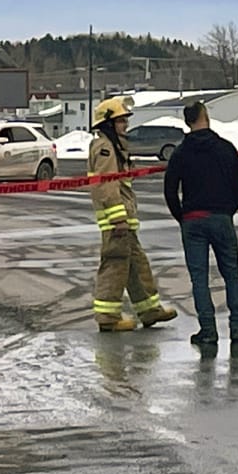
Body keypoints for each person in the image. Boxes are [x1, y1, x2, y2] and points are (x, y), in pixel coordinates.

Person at [163, 100, 238, 346]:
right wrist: (228, 210)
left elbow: (170, 189)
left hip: (193, 220)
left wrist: (181, 216)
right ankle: (237, 327)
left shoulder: (181, 152)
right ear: (206, 117)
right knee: (231, 274)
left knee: (199, 278)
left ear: (187, 121)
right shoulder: (225, 148)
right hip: (221, 217)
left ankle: (207, 330)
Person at [88, 96, 177, 332]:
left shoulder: (114, 147)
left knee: (137, 265)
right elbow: (107, 186)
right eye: (121, 122)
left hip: (124, 221)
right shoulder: (106, 148)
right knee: (115, 265)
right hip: (116, 222)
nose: (126, 126)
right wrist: (117, 218)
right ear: (108, 124)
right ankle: (107, 317)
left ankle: (149, 310)